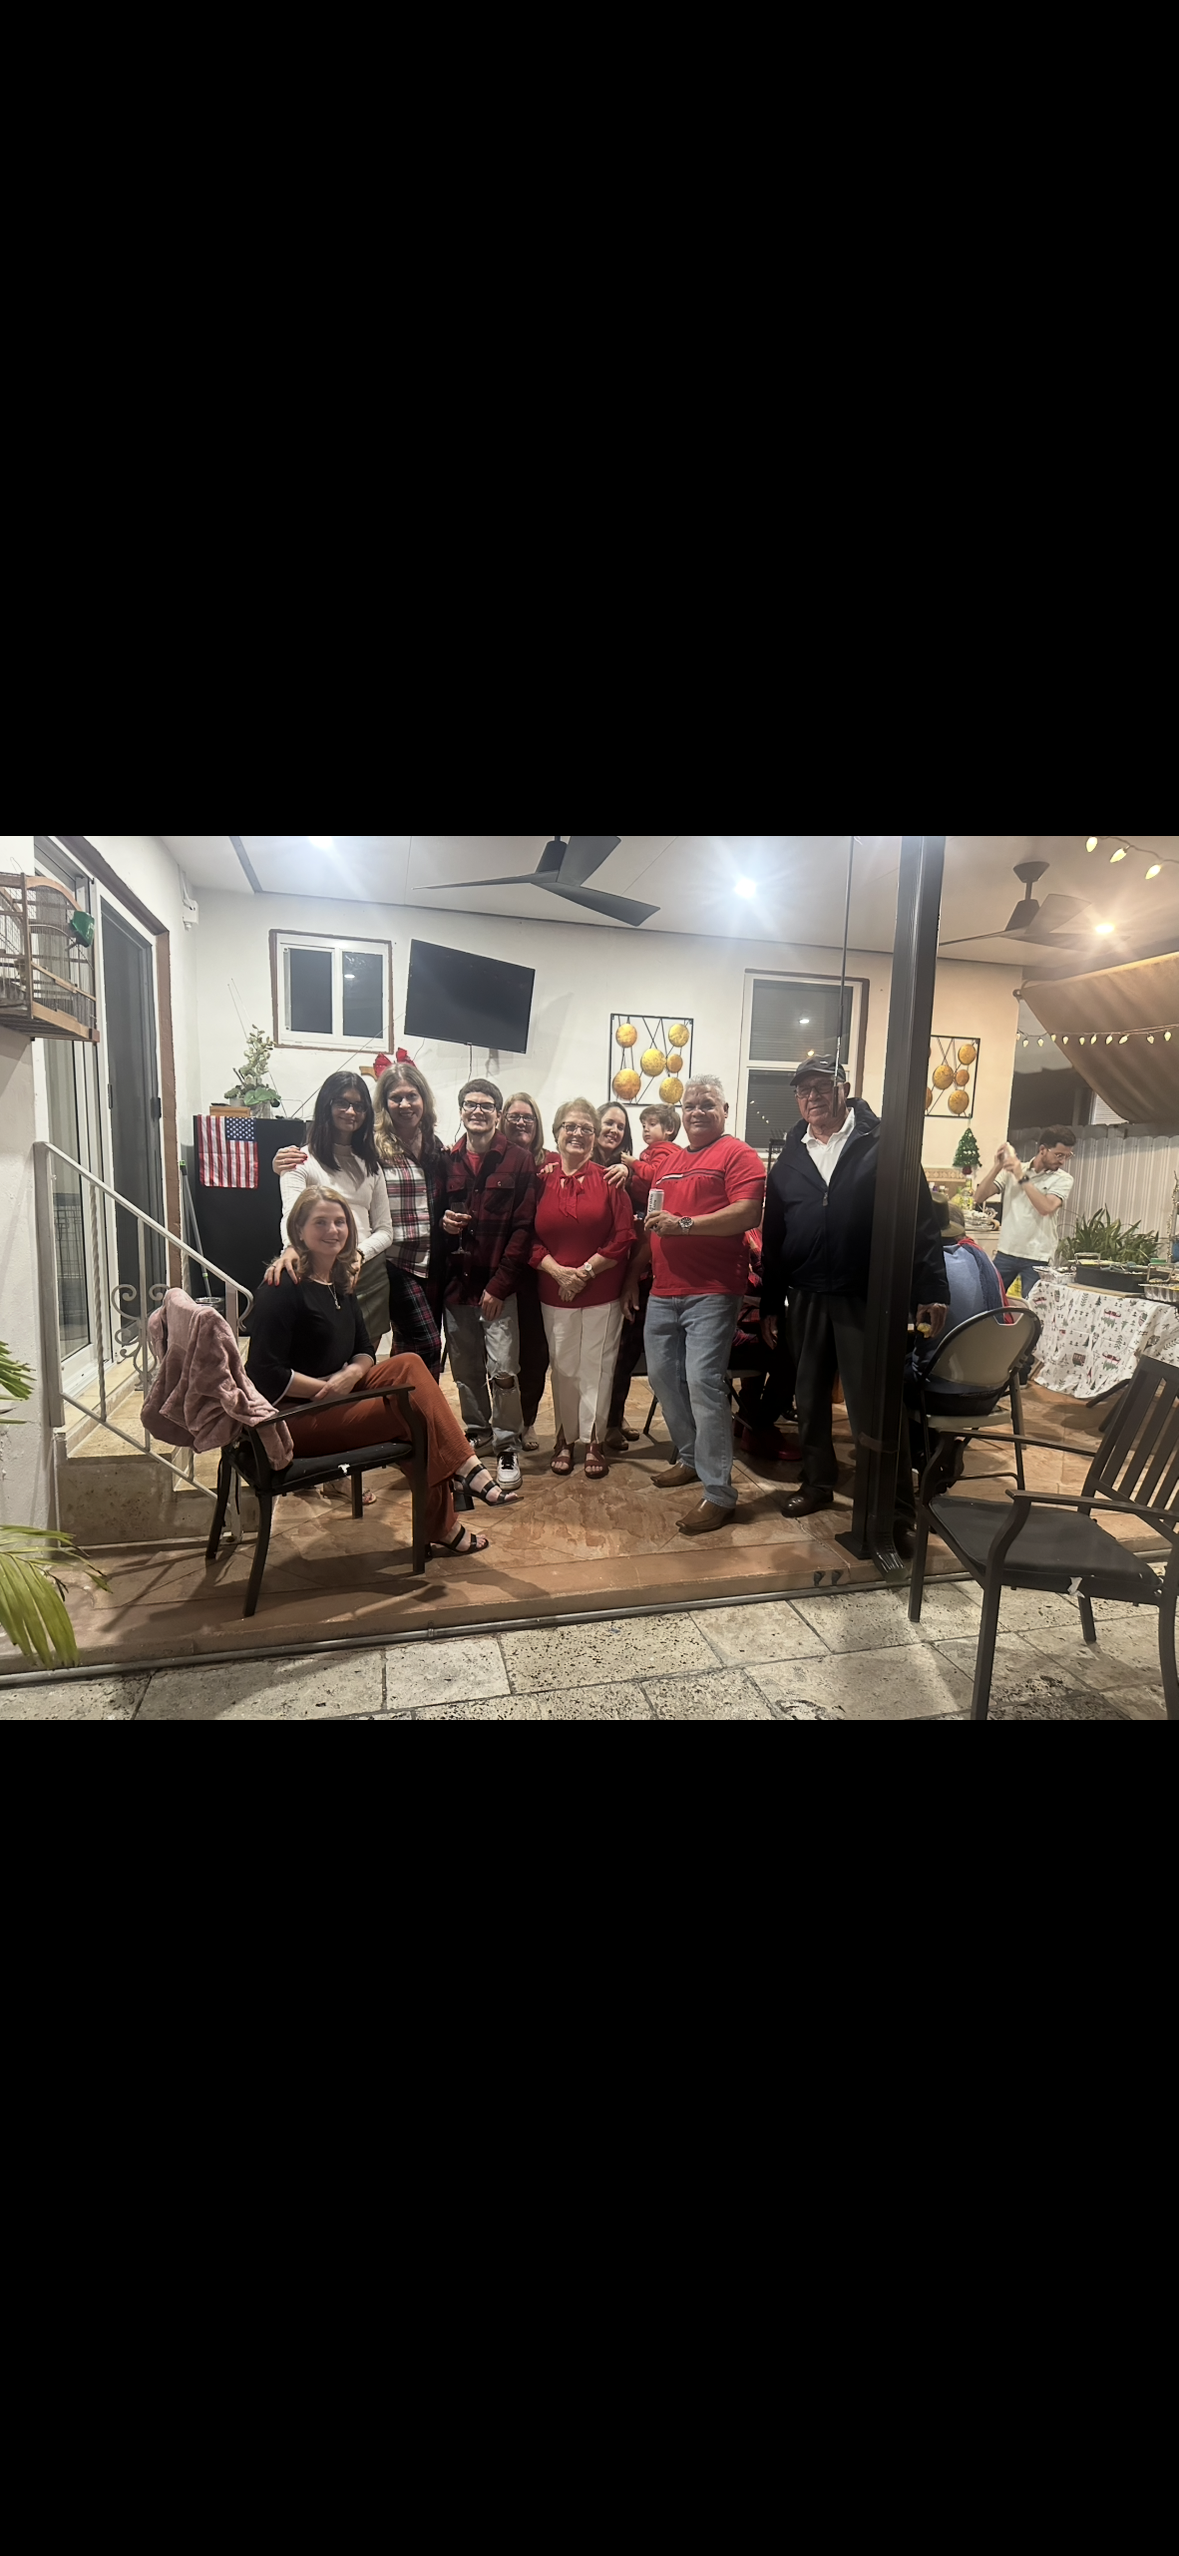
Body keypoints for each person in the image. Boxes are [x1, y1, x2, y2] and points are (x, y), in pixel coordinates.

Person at [242, 1187, 519, 1556]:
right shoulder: (281, 1286)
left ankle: (463, 1473)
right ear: (299, 1230)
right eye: (320, 1222)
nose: (333, 1230)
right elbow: (262, 1374)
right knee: (413, 1418)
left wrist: (349, 1376)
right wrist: (325, 1389)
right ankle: (451, 1508)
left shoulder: (340, 1281)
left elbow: (364, 1351)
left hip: (335, 1397)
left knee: (409, 1364)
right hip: (294, 1418)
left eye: (340, 1221)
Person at [760, 1057, 949, 1543]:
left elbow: (920, 1221)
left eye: (822, 1086)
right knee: (809, 1399)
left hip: (866, 1295)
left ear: (844, 1088)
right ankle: (818, 1481)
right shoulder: (791, 1156)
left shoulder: (883, 1144)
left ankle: (895, 1508)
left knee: (873, 1407)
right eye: (804, 1090)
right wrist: (769, 1302)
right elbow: (775, 1235)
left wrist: (931, 1288)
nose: (813, 1097)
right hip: (804, 1295)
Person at [621, 1074, 765, 1533]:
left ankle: (719, 1492)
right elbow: (653, 1227)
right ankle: (689, 1457)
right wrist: (630, 1279)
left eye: (707, 1104)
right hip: (664, 1291)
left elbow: (747, 1213)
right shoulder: (672, 1162)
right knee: (663, 1379)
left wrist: (685, 1224)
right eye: (690, 1106)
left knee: (703, 1381)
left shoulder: (738, 1154)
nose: (697, 1112)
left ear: (725, 1109)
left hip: (713, 1290)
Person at [441, 1078, 537, 1491]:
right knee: (464, 1371)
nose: (476, 1111)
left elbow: (523, 1229)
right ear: (461, 1110)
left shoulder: (518, 1160)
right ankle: (476, 1430)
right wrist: (444, 1225)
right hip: (456, 1289)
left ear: (497, 1113)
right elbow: (433, 1221)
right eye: (469, 1104)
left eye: (485, 1105)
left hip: (499, 1291)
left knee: (503, 1372)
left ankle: (506, 1443)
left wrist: (499, 1286)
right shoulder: (446, 1160)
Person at [531, 1098, 635, 1477]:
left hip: (600, 1292)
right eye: (570, 1127)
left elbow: (623, 1236)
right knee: (563, 1367)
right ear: (556, 1133)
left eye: (586, 1129)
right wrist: (560, 1273)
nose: (577, 1134)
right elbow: (528, 1237)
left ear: (595, 1138)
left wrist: (584, 1272)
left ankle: (593, 1439)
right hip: (554, 1291)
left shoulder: (609, 1180)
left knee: (598, 1367)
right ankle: (564, 1438)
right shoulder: (540, 1180)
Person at [271, 1072, 393, 1351]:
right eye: (342, 1103)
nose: (351, 1112)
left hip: (367, 1270)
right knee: (323, 1354)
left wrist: (360, 1254)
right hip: (319, 1269)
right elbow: (291, 1214)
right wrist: (291, 1246)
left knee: (364, 1359)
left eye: (359, 1106)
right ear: (326, 1104)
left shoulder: (370, 1166)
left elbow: (386, 1229)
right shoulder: (299, 1160)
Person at [372, 1061, 449, 1376]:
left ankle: (414, 1417)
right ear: (385, 1103)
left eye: (412, 1096)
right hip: (394, 1261)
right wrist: (290, 1160)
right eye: (396, 1097)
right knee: (427, 1342)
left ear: (424, 1100)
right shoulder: (372, 1146)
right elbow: (328, 1160)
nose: (405, 1104)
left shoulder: (435, 1145)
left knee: (411, 1347)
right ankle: (412, 1413)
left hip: (433, 1261)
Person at [498, 1091, 556, 1448]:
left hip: (541, 1274)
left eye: (528, 1117)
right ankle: (502, 1420)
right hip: (504, 1270)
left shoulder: (552, 1162)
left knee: (535, 1354)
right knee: (504, 1356)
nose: (521, 1123)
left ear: (538, 1125)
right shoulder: (496, 1159)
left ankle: (528, 1421)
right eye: (515, 1116)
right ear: (503, 1120)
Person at [597, 1101, 654, 1452]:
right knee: (598, 1355)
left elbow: (649, 1226)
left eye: (620, 1126)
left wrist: (632, 1176)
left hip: (632, 1274)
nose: (614, 1131)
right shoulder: (577, 1164)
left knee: (625, 1353)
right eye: (608, 1123)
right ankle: (599, 1421)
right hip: (593, 1275)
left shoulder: (633, 1174)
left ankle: (614, 1418)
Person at [977, 1128, 1076, 1297]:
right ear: (1043, 1150)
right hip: (1006, 1252)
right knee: (987, 1299)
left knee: (1032, 1309)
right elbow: (979, 1196)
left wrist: (1020, 1176)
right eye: (1059, 1155)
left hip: (1038, 1256)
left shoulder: (1063, 1179)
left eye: (1067, 1156)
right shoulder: (1015, 1171)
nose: (1063, 1161)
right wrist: (997, 1166)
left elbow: (1046, 1207)